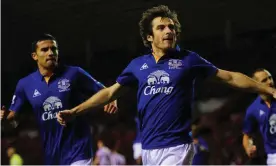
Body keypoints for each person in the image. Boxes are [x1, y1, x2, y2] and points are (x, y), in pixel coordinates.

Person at [57, 5, 276, 165]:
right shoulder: (137, 65)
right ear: (149, 37)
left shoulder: (188, 60)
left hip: (177, 146)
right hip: (149, 149)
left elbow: (229, 77)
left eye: (171, 27)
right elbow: (110, 93)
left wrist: (268, 89)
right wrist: (75, 111)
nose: (168, 31)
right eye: (161, 28)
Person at [0, 34, 117, 165]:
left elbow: (105, 91)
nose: (50, 53)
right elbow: (13, 121)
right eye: (44, 50)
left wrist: (112, 98)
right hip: (51, 156)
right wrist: (5, 120)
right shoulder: (24, 84)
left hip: (78, 151)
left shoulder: (74, 73)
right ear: (34, 56)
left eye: (53, 49)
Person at [243, 68, 276, 165]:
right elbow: (246, 135)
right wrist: (248, 147)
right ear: (255, 85)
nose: (270, 82)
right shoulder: (252, 109)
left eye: (270, 78)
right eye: (264, 80)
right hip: (273, 156)